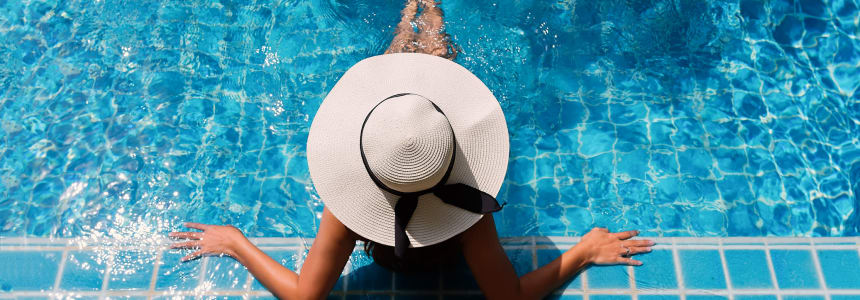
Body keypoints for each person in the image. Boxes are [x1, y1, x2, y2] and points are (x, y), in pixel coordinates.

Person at [168, 1, 654, 299]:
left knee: (396, 114)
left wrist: (235, 242)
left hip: (395, 200)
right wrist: (584, 250)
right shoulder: (470, 205)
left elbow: (304, 295)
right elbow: (510, 296)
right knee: (417, 103)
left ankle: (413, 13)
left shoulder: (343, 212)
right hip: (440, 199)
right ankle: (428, 11)